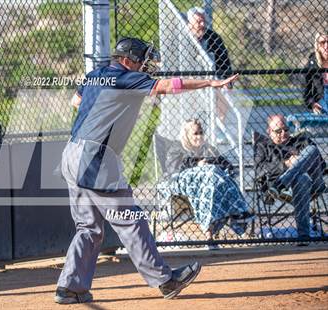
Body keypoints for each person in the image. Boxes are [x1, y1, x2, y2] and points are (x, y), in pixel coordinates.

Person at [54, 37, 238, 304]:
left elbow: (75, 101)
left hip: (72, 153)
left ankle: (69, 287)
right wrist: (210, 83)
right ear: (126, 61)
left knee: (88, 228)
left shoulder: (96, 75)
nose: (144, 65)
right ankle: (165, 280)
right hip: (96, 157)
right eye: (141, 60)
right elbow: (170, 86)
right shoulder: (127, 77)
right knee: (131, 219)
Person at [158, 119, 253, 247]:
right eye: (195, 133)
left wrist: (211, 164)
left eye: (201, 132)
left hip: (210, 188)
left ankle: (210, 233)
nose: (199, 136)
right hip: (183, 186)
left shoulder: (209, 149)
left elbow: (229, 167)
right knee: (211, 172)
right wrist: (197, 166)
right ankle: (237, 221)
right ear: (186, 134)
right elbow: (174, 172)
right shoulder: (177, 148)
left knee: (216, 175)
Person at [254, 114, 326, 239]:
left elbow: (322, 166)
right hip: (288, 189)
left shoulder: (301, 141)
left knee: (312, 150)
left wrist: (300, 162)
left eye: (286, 130)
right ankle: (303, 236)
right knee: (301, 178)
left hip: (313, 184)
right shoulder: (263, 146)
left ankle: (281, 183)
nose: (283, 133)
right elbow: (259, 170)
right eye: (278, 131)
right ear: (269, 131)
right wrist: (285, 164)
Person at [186, 7, 233, 141]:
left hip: (212, 79)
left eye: (203, 21)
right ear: (189, 24)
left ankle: (216, 130)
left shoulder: (213, 37)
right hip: (190, 79)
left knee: (224, 99)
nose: (202, 25)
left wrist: (227, 80)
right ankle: (194, 133)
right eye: (198, 22)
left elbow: (224, 60)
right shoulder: (184, 37)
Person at [304, 33, 328, 114]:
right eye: (322, 42)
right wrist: (313, 104)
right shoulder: (312, 64)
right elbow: (306, 91)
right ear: (317, 45)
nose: (326, 46)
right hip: (322, 103)